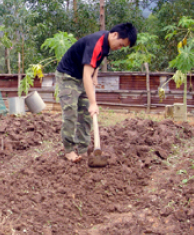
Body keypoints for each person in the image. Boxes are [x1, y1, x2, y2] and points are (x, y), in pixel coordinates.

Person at [56, 23, 137, 163]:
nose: (119, 48)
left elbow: (96, 61)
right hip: (68, 76)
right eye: (121, 44)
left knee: (86, 116)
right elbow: (87, 73)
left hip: (82, 76)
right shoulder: (96, 43)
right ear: (115, 34)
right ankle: (69, 150)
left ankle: (83, 150)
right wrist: (93, 103)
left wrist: (95, 75)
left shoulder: (107, 42)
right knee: (71, 113)